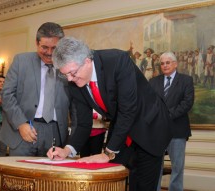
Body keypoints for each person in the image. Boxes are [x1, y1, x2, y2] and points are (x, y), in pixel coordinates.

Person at [47, 37, 172, 191]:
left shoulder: (117, 61)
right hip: (122, 128)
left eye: (72, 73)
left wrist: (108, 153)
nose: (69, 79)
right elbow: (83, 122)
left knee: (143, 185)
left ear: (86, 61)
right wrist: (67, 150)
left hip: (149, 125)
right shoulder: (74, 82)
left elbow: (128, 110)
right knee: (113, 180)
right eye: (64, 74)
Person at [0, 22, 76, 156]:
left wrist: (72, 141)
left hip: (55, 132)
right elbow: (6, 94)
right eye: (45, 47)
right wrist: (21, 124)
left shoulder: (69, 66)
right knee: (20, 176)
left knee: (49, 177)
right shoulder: (21, 61)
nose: (50, 53)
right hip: (24, 130)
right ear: (36, 42)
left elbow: (75, 104)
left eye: (54, 48)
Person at [150, 52, 194, 191]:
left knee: (177, 167)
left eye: (168, 62)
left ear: (175, 64)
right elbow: (150, 103)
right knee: (155, 165)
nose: (164, 65)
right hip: (157, 131)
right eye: (162, 63)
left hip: (178, 130)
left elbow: (187, 103)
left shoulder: (186, 80)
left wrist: (166, 115)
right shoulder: (153, 82)